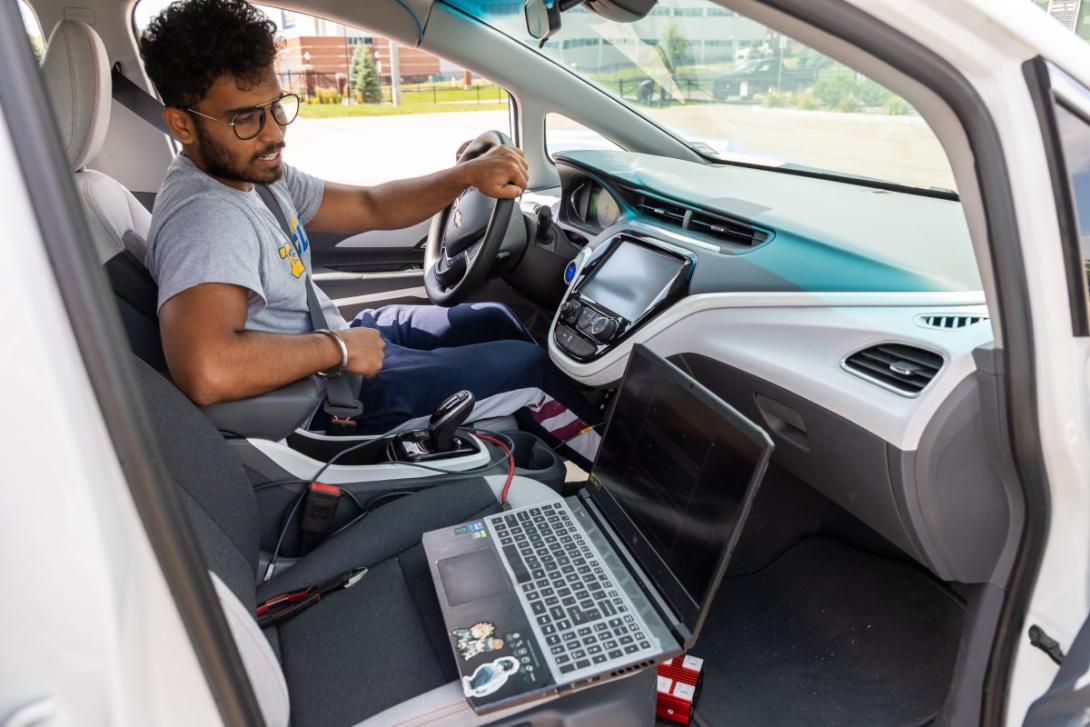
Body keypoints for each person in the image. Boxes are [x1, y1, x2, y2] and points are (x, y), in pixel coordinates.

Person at [138, 0, 601, 462]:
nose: (274, 133)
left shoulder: (251, 173)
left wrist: (466, 176)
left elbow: (370, 205)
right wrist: (337, 348)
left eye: (277, 107)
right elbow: (207, 370)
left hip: (332, 348)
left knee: (494, 319)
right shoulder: (206, 220)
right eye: (246, 118)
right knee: (528, 371)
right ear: (183, 124)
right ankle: (632, 489)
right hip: (326, 405)